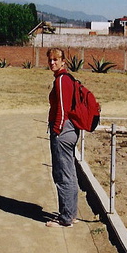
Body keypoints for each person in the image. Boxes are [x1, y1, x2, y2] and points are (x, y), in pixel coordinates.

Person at [45, 48, 79, 228]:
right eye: (50, 60)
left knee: (62, 174)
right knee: (70, 173)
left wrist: (56, 130)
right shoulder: (68, 79)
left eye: (56, 59)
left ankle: (65, 218)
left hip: (63, 131)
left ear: (64, 61)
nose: (52, 63)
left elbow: (63, 110)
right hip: (71, 130)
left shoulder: (61, 81)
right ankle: (71, 213)